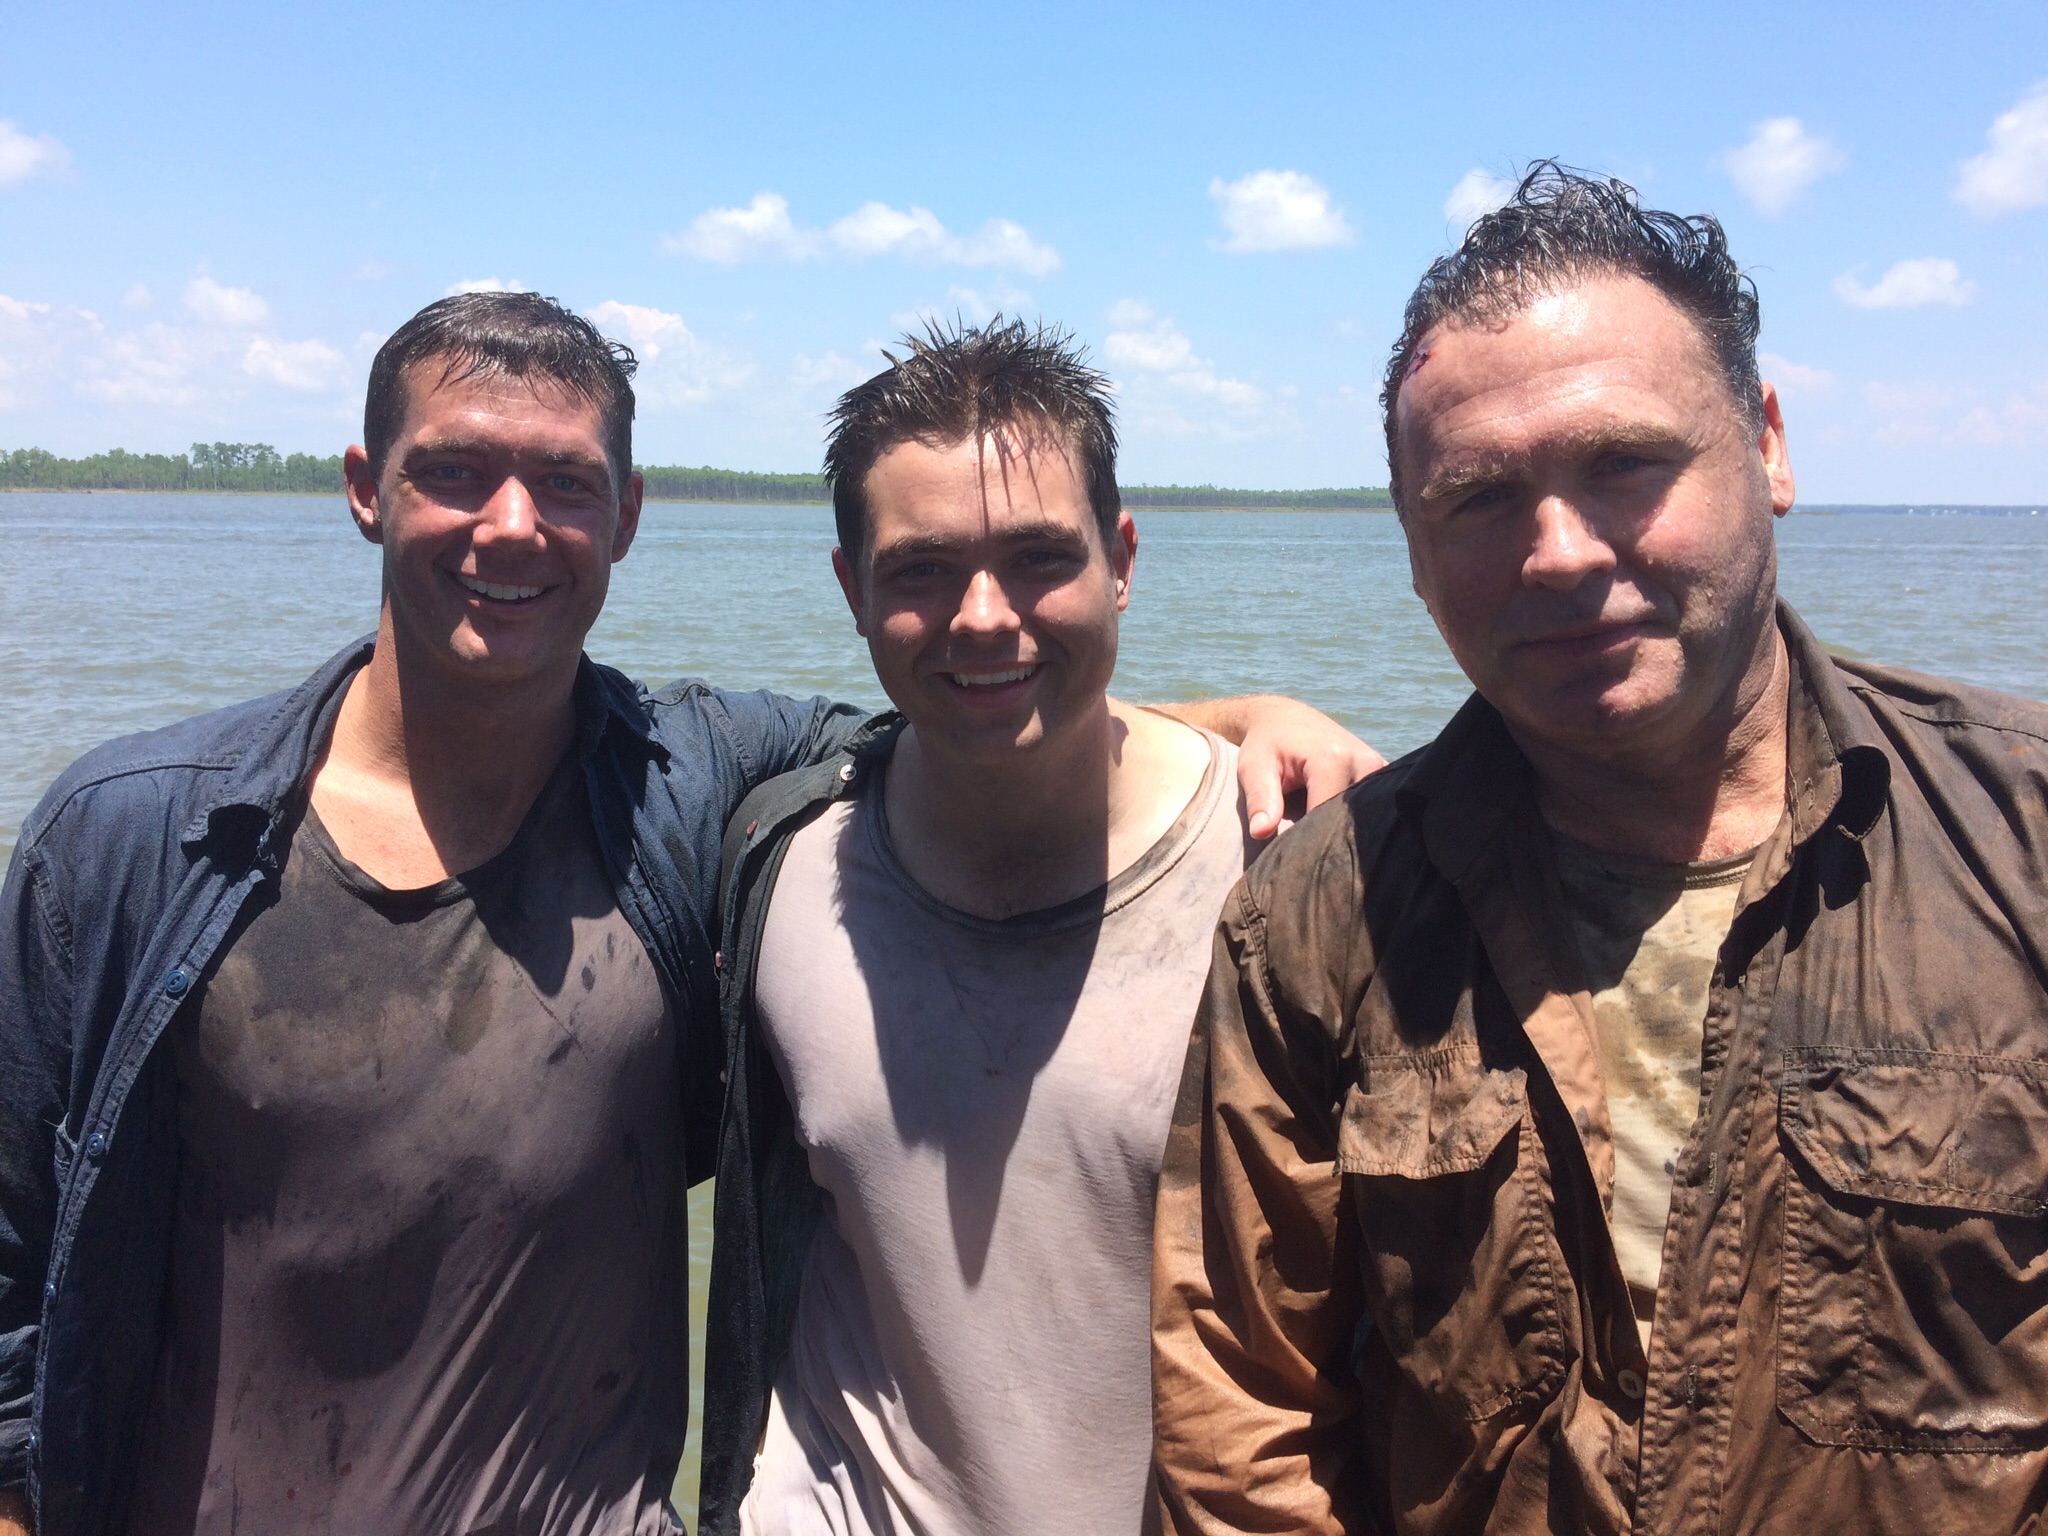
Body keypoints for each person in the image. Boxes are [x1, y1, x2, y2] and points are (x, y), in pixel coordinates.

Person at [0, 294, 1373, 1536]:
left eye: (565, 483)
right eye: (457, 474)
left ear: (630, 513)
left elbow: (980, 711)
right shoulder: (136, 840)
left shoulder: (688, 781)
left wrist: (1254, 725)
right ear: (366, 491)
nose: (513, 525)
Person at [1151, 165, 2048, 1536]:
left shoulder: (2023, 838)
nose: (1560, 553)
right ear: (1409, 543)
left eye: (1623, 465)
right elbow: (1242, 1423)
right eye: (1479, 498)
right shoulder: (1317, 921)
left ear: (1768, 444)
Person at [695, 319, 1367, 1536]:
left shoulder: (1292, 864)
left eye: (1037, 558)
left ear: (1120, 557)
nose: (982, 617)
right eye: (920, 569)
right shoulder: (774, 865)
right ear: (850, 589)